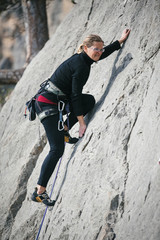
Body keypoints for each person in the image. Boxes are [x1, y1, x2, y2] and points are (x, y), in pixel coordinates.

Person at [31, 29, 131, 206]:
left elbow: (101, 54)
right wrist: (82, 122)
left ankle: (65, 130)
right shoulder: (81, 66)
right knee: (57, 149)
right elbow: (75, 95)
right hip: (46, 104)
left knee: (89, 101)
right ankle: (40, 191)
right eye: (96, 49)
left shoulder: (85, 58)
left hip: (56, 100)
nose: (99, 53)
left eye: (101, 49)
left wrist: (119, 42)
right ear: (85, 48)